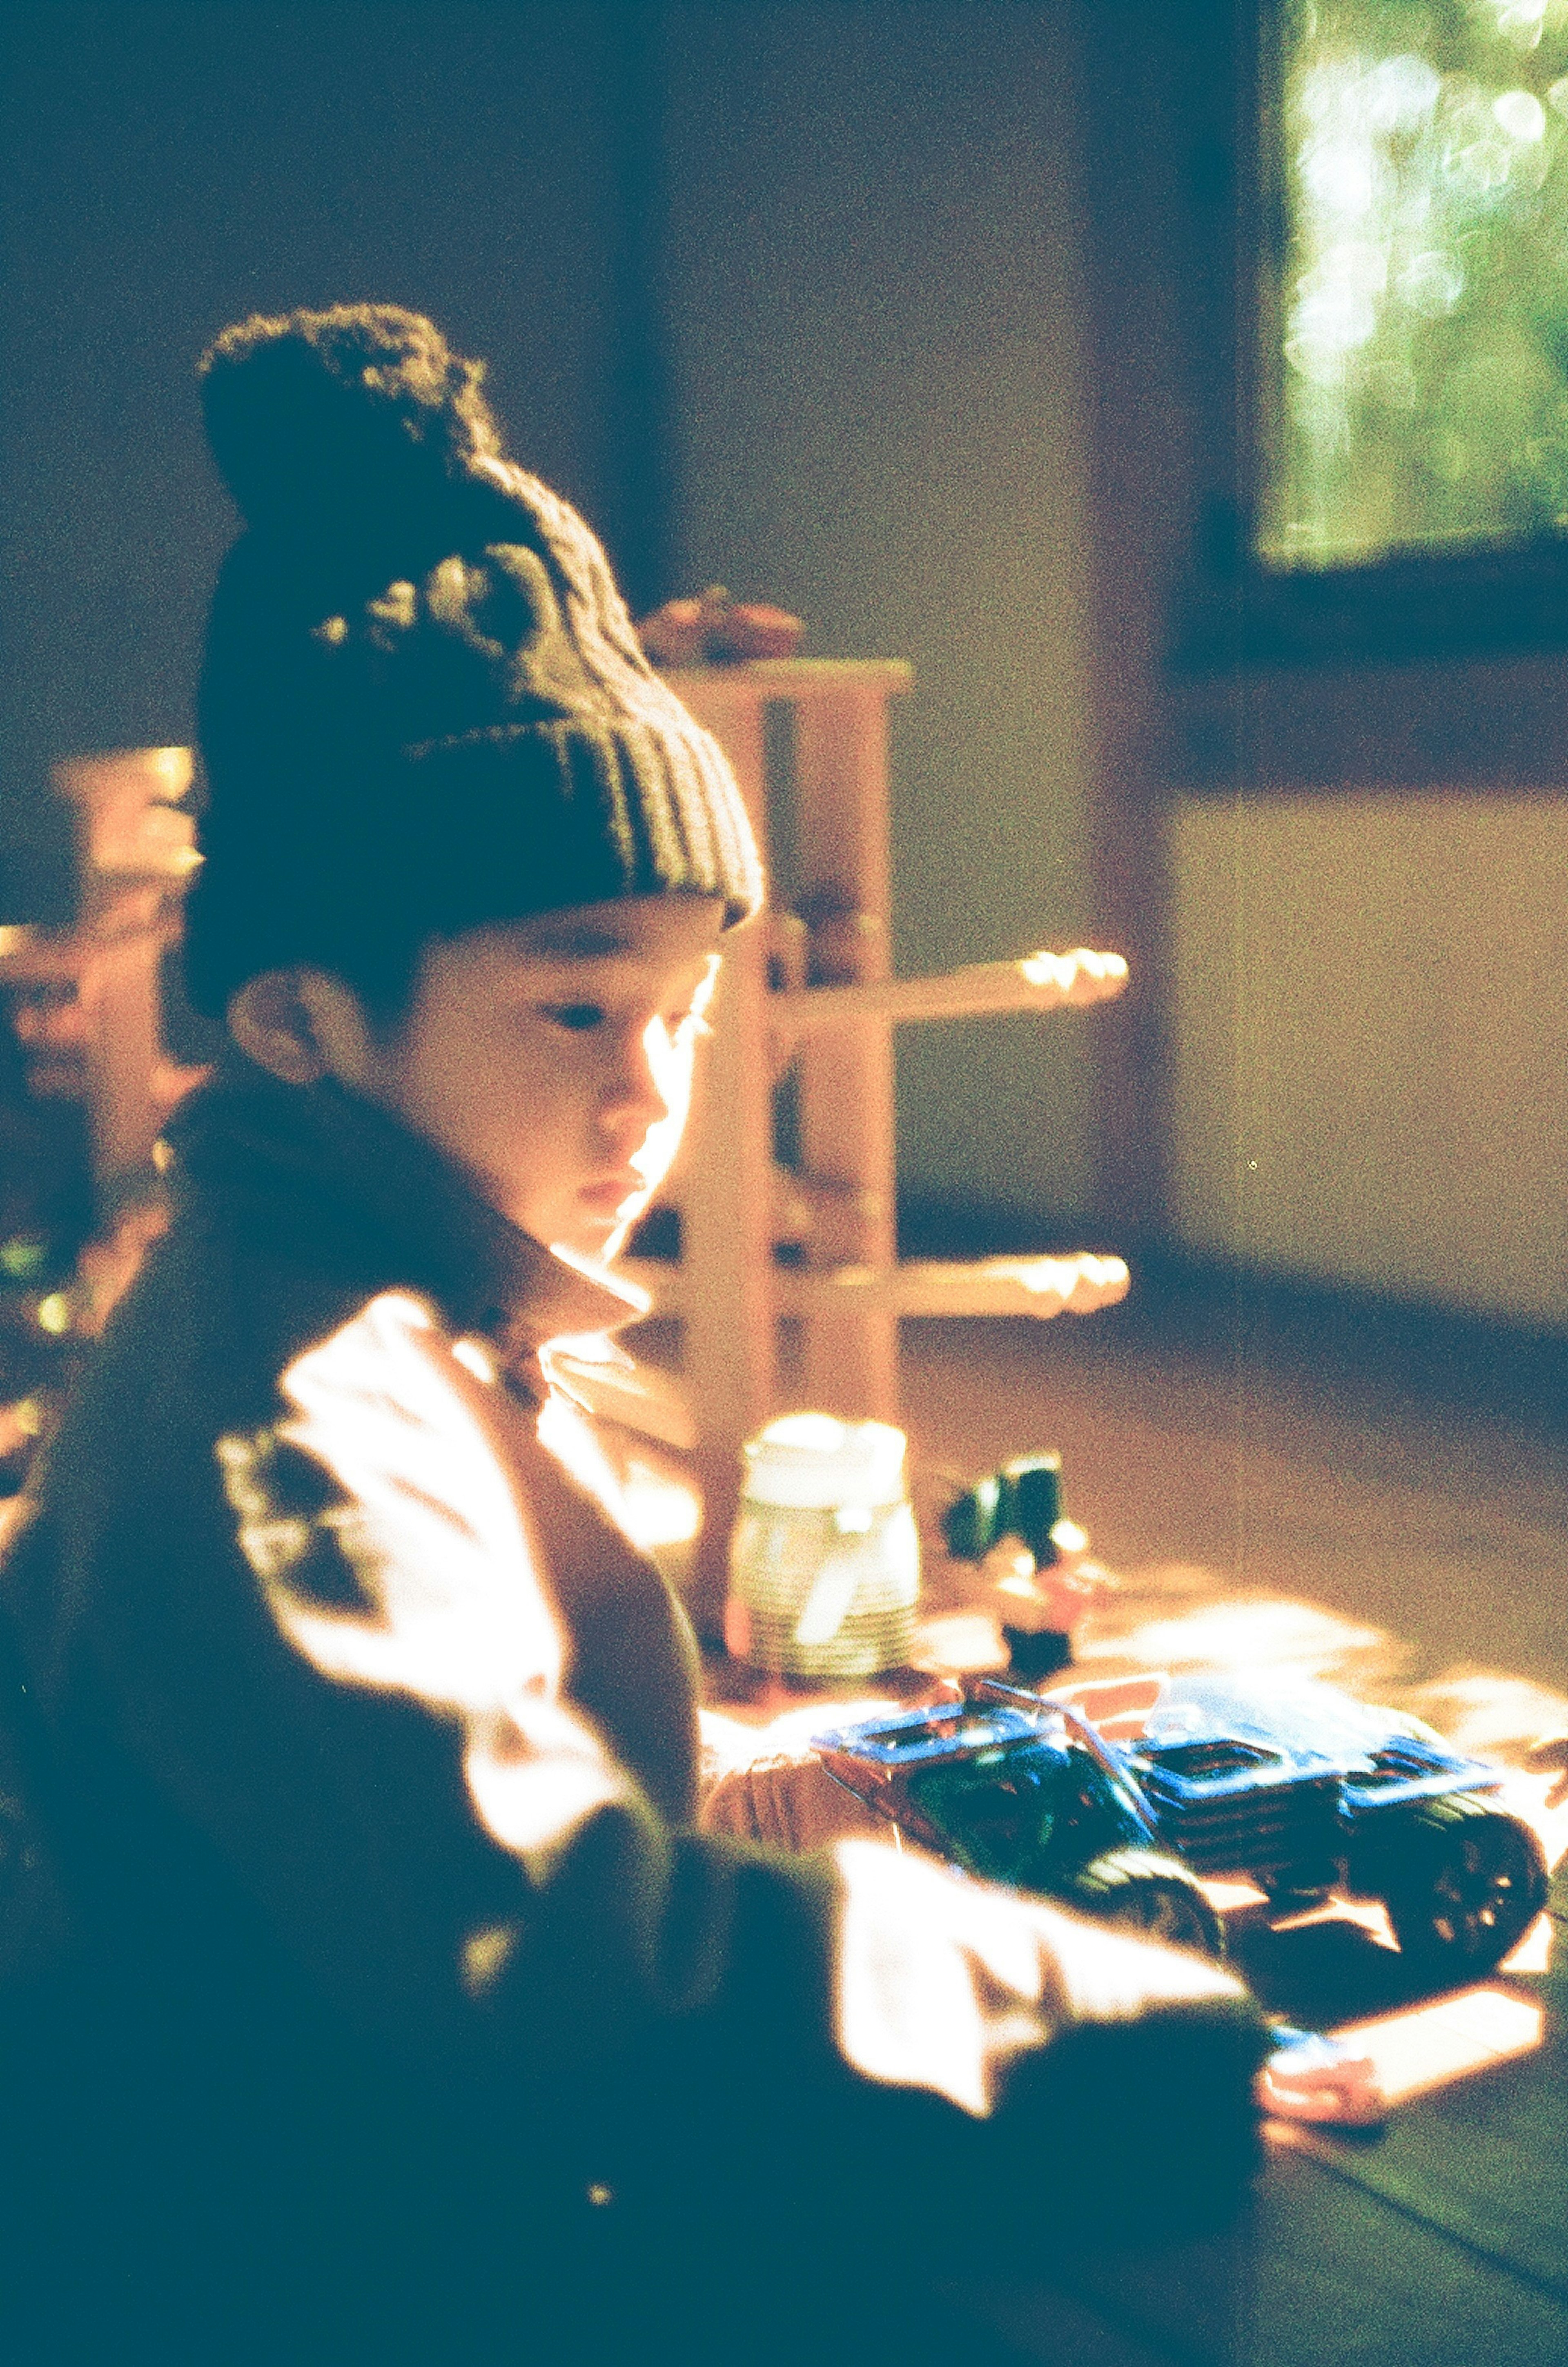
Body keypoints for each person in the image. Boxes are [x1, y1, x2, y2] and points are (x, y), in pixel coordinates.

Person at [0, 305, 1265, 2366]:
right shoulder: (297, 1416)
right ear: (302, 1017)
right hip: (280, 2259)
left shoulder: (381, 1307)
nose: (652, 1094)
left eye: (684, 1012)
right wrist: (1125, 2032)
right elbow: (559, 1962)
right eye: (576, 1008)